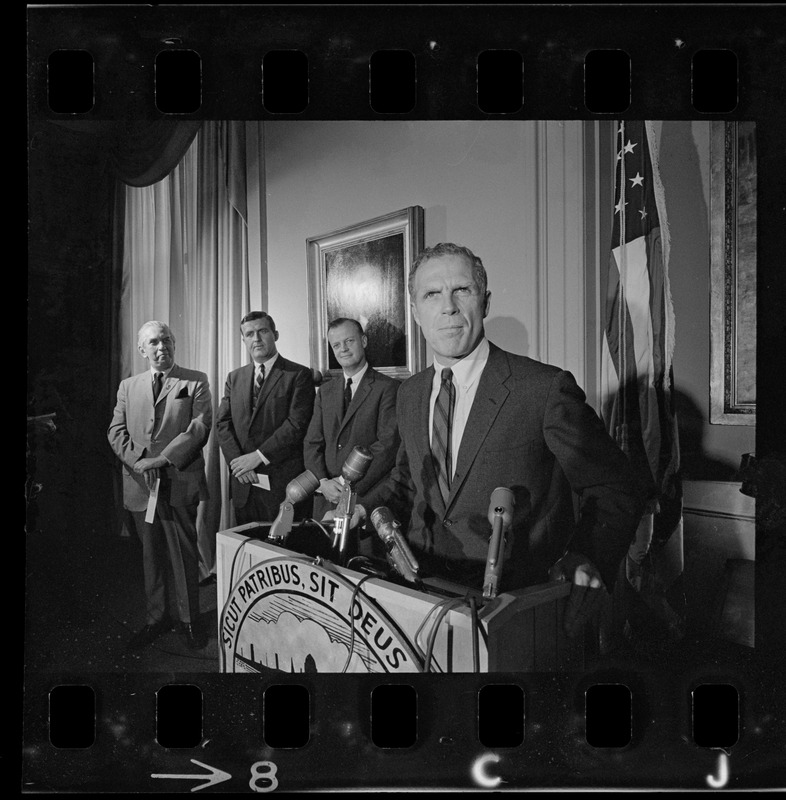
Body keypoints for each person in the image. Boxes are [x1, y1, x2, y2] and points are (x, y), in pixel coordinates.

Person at [358, 242, 644, 634]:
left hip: (518, 610)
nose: (448, 307)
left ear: (485, 301)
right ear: (415, 312)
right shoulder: (408, 393)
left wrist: (587, 556)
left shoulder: (543, 389)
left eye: (462, 290)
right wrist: (361, 509)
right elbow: (410, 478)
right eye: (431, 294)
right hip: (423, 596)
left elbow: (614, 486)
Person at [108, 321, 212, 650]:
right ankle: (156, 619)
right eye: (153, 342)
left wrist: (161, 460)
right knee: (150, 556)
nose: (161, 346)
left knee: (183, 555)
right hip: (140, 484)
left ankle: (189, 621)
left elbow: (199, 427)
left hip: (179, 481)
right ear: (143, 350)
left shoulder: (195, 381)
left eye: (166, 339)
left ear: (174, 343)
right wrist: (139, 460)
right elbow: (115, 431)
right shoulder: (128, 386)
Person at [216, 311, 316, 525]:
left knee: (284, 554)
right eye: (250, 334)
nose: (257, 339)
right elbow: (223, 424)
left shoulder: (298, 375)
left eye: (263, 331)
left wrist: (257, 457)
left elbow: (296, 424)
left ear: (275, 334)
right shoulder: (234, 378)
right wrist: (238, 465)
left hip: (282, 486)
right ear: (244, 340)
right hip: (244, 484)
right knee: (248, 551)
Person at [303, 317, 400, 522]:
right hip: (325, 499)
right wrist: (321, 482)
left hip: (364, 498)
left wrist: (344, 482)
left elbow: (387, 446)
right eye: (336, 345)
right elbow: (312, 443)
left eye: (349, 341)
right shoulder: (325, 391)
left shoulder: (388, 388)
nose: (343, 349)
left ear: (363, 341)